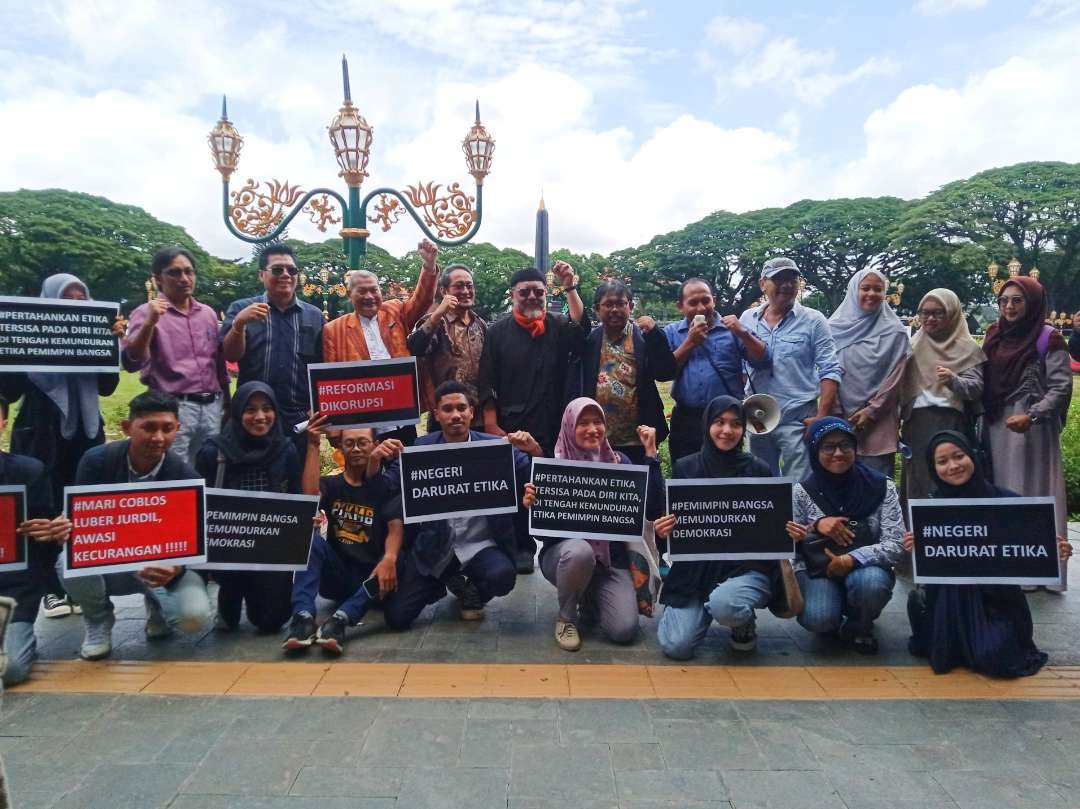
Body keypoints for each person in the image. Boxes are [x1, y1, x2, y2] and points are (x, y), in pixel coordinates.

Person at [0, 273, 123, 619]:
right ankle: (51, 591)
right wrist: (12, 344)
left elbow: (108, 387)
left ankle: (80, 580)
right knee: (44, 508)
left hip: (86, 431)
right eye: (65, 300)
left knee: (84, 505)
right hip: (40, 434)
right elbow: (8, 391)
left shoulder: (96, 332)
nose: (75, 307)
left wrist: (110, 341)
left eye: (81, 300)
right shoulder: (31, 337)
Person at [56, 391, 211, 661]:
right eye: (149, 427)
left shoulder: (186, 476)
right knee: (66, 562)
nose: (158, 438)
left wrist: (176, 567)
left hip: (158, 565)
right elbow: (80, 523)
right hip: (108, 562)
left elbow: (192, 541)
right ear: (127, 427)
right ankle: (98, 619)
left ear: (178, 429)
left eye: (167, 428)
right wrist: (65, 527)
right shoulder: (96, 461)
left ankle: (157, 605)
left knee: (193, 617)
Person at [906, 431, 1073, 677]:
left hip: (998, 600)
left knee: (996, 658)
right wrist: (916, 543)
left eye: (959, 456)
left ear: (972, 455)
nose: (953, 466)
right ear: (933, 468)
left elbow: (1030, 543)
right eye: (942, 462)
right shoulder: (932, 508)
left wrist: (1052, 548)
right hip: (950, 599)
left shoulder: (1006, 502)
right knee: (944, 656)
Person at [377, 381, 537, 630]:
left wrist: (535, 451)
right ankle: (442, 583)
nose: (455, 415)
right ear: (436, 414)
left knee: (503, 576)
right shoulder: (420, 448)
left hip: (480, 545)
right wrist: (376, 459)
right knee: (396, 618)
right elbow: (385, 487)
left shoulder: (494, 447)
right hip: (435, 548)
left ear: (471, 412)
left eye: (461, 408)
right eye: (448, 409)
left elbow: (533, 475)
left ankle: (472, 591)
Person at [522, 397, 664, 651]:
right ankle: (566, 617)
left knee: (624, 630)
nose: (592, 429)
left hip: (611, 562)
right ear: (569, 426)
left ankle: (589, 597)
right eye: (583, 423)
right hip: (565, 557)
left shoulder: (620, 463)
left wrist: (651, 454)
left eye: (598, 421)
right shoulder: (554, 467)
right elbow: (540, 529)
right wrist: (532, 502)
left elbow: (651, 507)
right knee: (580, 552)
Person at [476, 261, 589, 572]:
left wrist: (570, 287)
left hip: (553, 421)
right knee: (516, 485)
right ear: (512, 294)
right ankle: (521, 545)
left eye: (538, 292)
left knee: (551, 484)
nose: (531, 297)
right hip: (513, 422)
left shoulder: (558, 324)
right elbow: (486, 379)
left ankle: (554, 544)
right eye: (524, 292)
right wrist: (490, 422)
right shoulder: (497, 332)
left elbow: (582, 330)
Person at [654, 396, 781, 658]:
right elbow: (678, 532)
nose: (727, 431)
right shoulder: (686, 468)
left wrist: (789, 532)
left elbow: (771, 527)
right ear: (706, 425)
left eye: (736, 424)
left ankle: (741, 619)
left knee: (727, 604)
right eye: (719, 422)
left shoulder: (759, 470)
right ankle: (691, 609)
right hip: (696, 571)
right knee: (676, 646)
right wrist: (665, 530)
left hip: (745, 569)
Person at [284, 417, 404, 655]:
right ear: (340, 448)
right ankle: (303, 618)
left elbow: (395, 527)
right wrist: (313, 444)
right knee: (310, 537)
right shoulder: (333, 485)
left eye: (362, 442)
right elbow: (310, 498)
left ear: (375, 445)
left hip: (374, 580)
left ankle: (340, 621)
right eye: (349, 443)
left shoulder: (385, 484)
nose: (356, 448)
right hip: (337, 576)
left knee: (393, 559)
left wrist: (389, 558)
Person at [982, 277, 1072, 591]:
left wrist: (1032, 415)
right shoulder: (994, 335)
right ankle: (1014, 567)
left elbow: (1060, 387)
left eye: (1018, 300)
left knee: (1037, 492)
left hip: (1033, 428)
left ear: (1032, 302)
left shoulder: (1049, 337)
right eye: (1004, 300)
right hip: (998, 425)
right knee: (1006, 492)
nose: (1009, 306)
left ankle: (1042, 569)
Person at [785, 417, 903, 654]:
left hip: (865, 569)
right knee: (819, 617)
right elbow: (788, 547)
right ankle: (830, 614)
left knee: (870, 585)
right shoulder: (801, 492)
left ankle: (860, 625)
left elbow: (896, 543)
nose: (838, 453)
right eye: (828, 447)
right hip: (817, 572)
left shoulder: (881, 487)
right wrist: (816, 525)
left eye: (845, 445)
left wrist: (851, 559)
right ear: (815, 450)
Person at [194, 382, 302, 632]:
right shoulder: (213, 452)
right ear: (238, 412)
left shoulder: (286, 450)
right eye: (250, 410)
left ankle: (257, 591)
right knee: (228, 623)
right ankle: (229, 594)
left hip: (270, 549)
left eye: (267, 409)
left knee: (271, 621)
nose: (260, 417)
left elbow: (296, 496)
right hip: (228, 550)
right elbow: (197, 508)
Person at [323, 240, 439, 444]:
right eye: (362, 291)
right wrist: (335, 432)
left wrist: (429, 266)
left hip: (402, 417)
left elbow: (422, 300)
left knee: (403, 471)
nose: (369, 296)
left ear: (380, 292)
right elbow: (331, 383)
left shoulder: (395, 310)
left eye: (374, 290)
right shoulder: (334, 330)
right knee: (369, 474)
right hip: (363, 424)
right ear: (350, 295)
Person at [123, 246, 229, 465]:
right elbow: (133, 361)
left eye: (189, 272)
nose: (184, 278)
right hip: (172, 407)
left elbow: (218, 364)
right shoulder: (145, 313)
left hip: (212, 406)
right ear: (158, 279)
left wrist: (227, 403)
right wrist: (150, 324)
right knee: (173, 472)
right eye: (174, 272)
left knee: (207, 469)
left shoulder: (207, 313)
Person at [739, 258, 841, 481]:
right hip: (758, 419)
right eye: (779, 279)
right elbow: (740, 366)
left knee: (801, 487)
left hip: (797, 419)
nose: (786, 285)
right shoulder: (747, 319)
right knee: (761, 485)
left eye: (792, 279)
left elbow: (830, 370)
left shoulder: (814, 320)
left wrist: (821, 417)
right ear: (762, 284)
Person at [221, 243, 323, 458]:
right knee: (253, 475)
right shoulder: (241, 309)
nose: (286, 275)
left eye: (291, 270)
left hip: (299, 415)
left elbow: (322, 365)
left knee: (297, 480)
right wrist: (239, 325)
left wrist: (318, 405)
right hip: (255, 414)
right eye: (277, 270)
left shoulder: (314, 315)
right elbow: (230, 355)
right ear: (261, 275)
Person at [0, 395, 68, 685]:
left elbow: (45, 549)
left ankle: (20, 639)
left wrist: (48, 532)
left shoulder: (28, 472)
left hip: (10, 592)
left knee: (11, 668)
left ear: (3, 423)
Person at [663, 278, 769, 462]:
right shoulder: (671, 332)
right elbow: (665, 372)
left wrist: (743, 333)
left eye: (706, 300)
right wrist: (690, 343)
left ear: (714, 300)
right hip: (687, 417)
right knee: (685, 473)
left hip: (726, 418)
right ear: (680, 306)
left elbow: (763, 360)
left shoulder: (732, 329)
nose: (701, 308)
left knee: (726, 474)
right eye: (693, 303)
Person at [899, 288, 985, 504]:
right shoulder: (912, 345)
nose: (930, 318)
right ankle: (917, 535)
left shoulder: (967, 348)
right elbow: (896, 389)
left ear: (953, 314)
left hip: (951, 424)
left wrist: (954, 381)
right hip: (916, 424)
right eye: (924, 313)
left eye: (938, 313)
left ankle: (951, 534)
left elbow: (976, 388)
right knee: (918, 481)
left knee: (951, 479)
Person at [577, 280, 677, 464]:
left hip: (638, 438)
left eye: (620, 303)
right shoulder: (590, 340)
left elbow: (666, 372)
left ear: (630, 306)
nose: (614, 309)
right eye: (608, 304)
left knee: (638, 489)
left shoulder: (644, 336)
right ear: (597, 309)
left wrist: (655, 334)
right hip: (597, 436)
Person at [827, 268, 911, 476]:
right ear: (853, 291)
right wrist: (838, 413)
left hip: (879, 421)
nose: (871, 294)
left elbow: (896, 379)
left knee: (878, 485)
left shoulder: (895, 332)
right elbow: (827, 371)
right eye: (865, 288)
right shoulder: (832, 330)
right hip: (841, 419)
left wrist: (871, 411)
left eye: (878, 289)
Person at [406, 262, 488, 429]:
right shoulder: (436, 322)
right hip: (445, 417)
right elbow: (414, 349)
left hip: (479, 417)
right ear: (444, 291)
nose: (465, 291)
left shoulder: (480, 324)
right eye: (459, 286)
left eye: (469, 286)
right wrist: (437, 315)